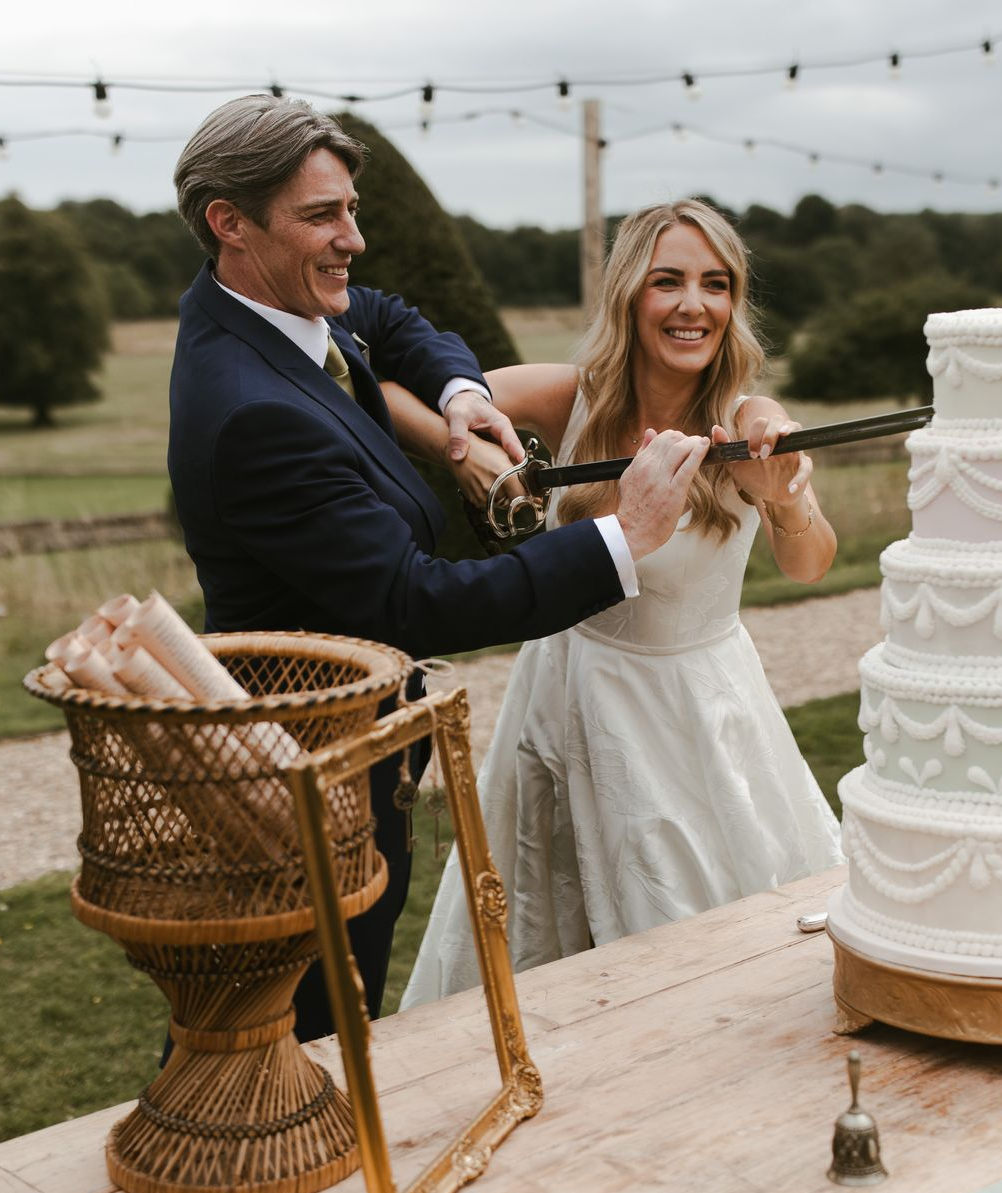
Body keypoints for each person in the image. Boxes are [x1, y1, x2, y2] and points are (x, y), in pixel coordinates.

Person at [166, 97, 710, 1041]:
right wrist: (623, 536)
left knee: (304, 1023)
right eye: (322, 216)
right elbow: (415, 602)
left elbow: (390, 317)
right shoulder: (253, 411)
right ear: (230, 222)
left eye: (351, 209)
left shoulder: (272, 312)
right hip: (307, 783)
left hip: (344, 756)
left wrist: (459, 393)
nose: (354, 239)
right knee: (300, 1031)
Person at [401, 199, 844, 1007]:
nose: (692, 305)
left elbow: (810, 563)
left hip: (694, 712)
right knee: (540, 925)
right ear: (629, 294)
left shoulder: (746, 420)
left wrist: (782, 497)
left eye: (715, 284)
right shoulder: (571, 397)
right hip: (563, 689)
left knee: (696, 938)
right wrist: (460, 450)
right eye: (667, 281)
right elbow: (401, 394)